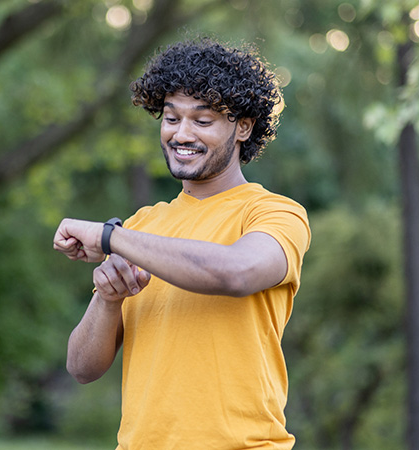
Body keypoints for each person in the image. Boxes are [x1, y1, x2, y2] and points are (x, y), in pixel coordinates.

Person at [53, 38, 311, 450]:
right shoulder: (144, 226)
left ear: (243, 127)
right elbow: (81, 368)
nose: (181, 134)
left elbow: (235, 271)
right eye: (171, 118)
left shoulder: (275, 214)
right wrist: (107, 298)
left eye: (202, 121)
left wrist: (109, 236)